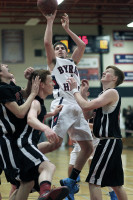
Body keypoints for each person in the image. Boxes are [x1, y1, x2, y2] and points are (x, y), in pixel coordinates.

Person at [43, 11, 93, 200]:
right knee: (53, 144)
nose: (60, 49)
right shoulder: (53, 63)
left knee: (88, 147)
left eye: (62, 48)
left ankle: (71, 182)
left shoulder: (73, 61)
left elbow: (81, 44)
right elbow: (47, 43)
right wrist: (50, 22)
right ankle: (28, 163)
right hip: (63, 104)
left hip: (77, 104)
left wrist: (67, 29)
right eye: (58, 48)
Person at [0, 66, 69, 200]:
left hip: (19, 141)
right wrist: (46, 128)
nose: (7, 66)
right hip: (9, 141)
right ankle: (44, 193)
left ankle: (45, 192)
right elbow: (23, 114)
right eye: (3, 66)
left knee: (27, 182)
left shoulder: (12, 87)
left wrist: (31, 81)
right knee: (47, 167)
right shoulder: (2, 90)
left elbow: (25, 93)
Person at [68, 65, 128, 200]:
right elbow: (88, 114)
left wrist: (74, 90)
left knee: (93, 182)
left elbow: (86, 106)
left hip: (108, 141)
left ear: (114, 78)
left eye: (107, 72)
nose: (103, 73)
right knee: (116, 184)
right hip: (111, 142)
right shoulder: (103, 94)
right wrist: (83, 94)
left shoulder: (112, 92)